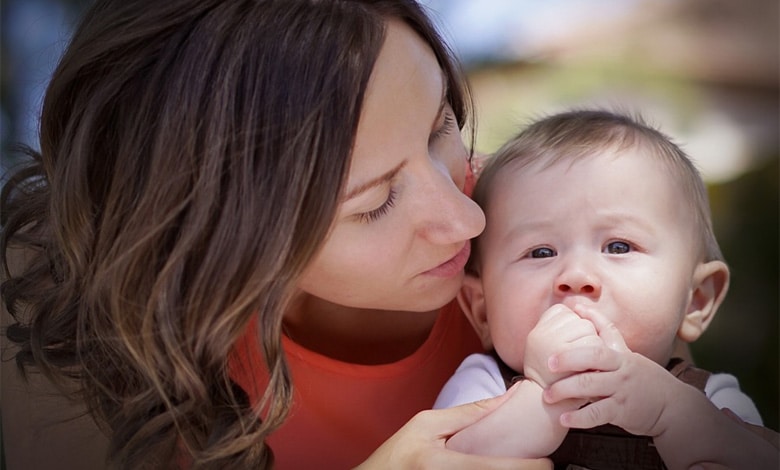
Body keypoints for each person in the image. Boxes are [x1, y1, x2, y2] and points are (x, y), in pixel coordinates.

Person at [0, 1, 555, 469]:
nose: (468, 220)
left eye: (440, 127)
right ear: (216, 233)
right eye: (374, 203)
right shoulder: (67, 328)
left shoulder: (556, 239)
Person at [434, 110, 779, 469]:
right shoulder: (483, 386)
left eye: (618, 246)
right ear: (482, 309)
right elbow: (441, 461)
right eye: (540, 252)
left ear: (696, 300)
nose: (577, 275)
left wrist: (672, 416)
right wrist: (541, 398)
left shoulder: (711, 398)